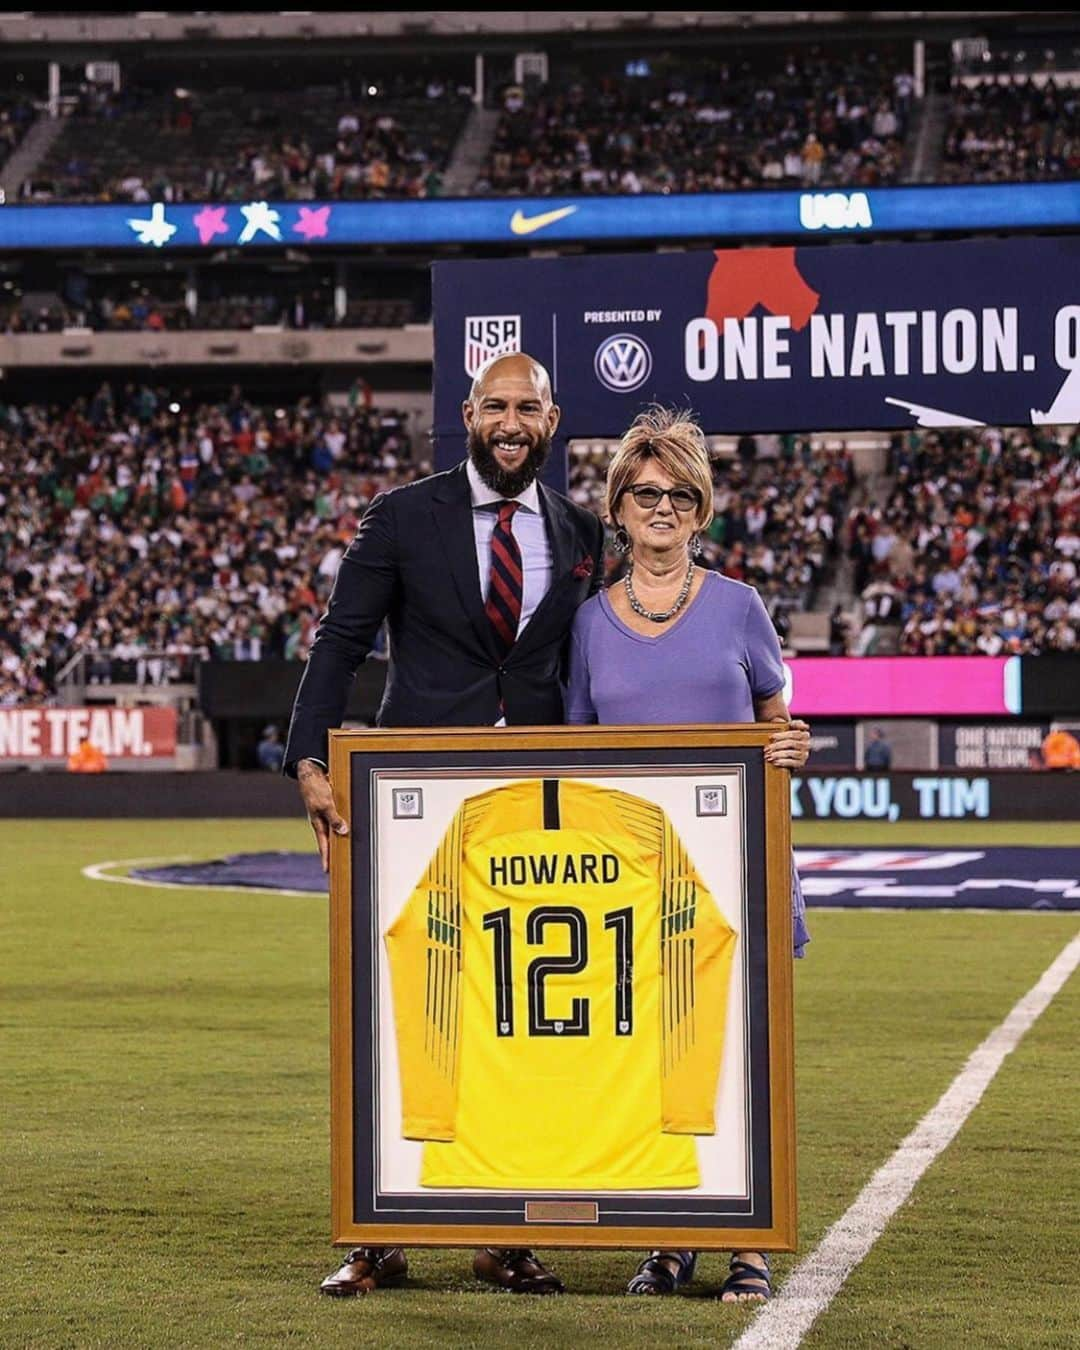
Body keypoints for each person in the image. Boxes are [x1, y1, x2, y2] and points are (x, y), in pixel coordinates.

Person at [284, 352, 605, 1298]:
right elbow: (340, 640)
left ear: (552, 420)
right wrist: (309, 758)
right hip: (412, 799)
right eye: (497, 405)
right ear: (468, 413)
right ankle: (376, 1233)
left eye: (529, 408)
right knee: (395, 1017)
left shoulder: (582, 531)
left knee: (518, 1023)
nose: (512, 421)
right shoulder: (402, 514)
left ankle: (505, 1231)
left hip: (534, 815)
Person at [564, 405, 810, 1305]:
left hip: (738, 876)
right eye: (644, 493)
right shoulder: (590, 624)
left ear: (700, 511)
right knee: (652, 1065)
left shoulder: (741, 607)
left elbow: (778, 724)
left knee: (742, 1062)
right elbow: (577, 762)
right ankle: (670, 1240)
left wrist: (790, 746)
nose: (661, 508)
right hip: (636, 884)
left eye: (678, 495)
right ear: (619, 508)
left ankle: (749, 1244)